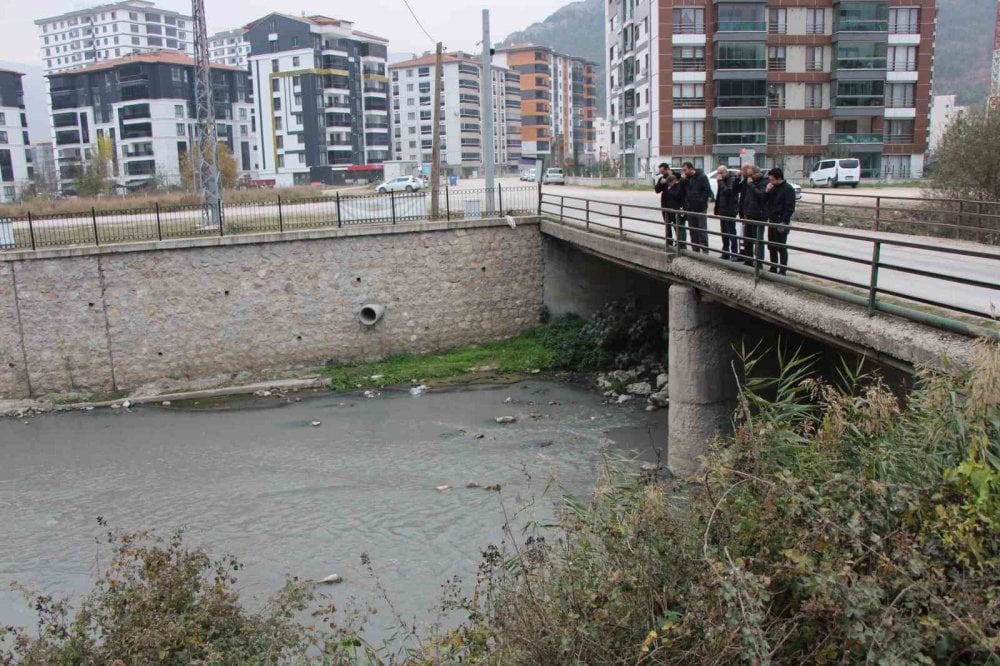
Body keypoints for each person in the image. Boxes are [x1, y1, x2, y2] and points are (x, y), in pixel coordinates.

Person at [763, 167, 796, 275]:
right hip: (772, 220)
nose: (770, 182)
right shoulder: (773, 188)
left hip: (781, 220)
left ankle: (782, 269)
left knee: (781, 246)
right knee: (771, 245)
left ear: (779, 178)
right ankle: (773, 266)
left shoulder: (788, 189)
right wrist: (767, 192)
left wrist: (784, 221)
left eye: (772, 179)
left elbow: (789, 207)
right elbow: (766, 202)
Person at [680, 162, 712, 254]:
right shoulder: (687, 179)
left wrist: (700, 201)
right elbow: (683, 192)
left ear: (691, 168)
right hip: (690, 208)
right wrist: (683, 181)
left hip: (700, 208)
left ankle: (705, 250)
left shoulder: (701, 177)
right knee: (693, 231)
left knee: (702, 229)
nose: (684, 172)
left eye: (685, 170)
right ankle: (695, 250)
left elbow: (707, 191)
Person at [741, 166, 769, 266]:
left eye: (751, 175)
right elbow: (746, 198)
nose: (749, 178)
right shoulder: (750, 183)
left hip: (759, 215)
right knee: (747, 239)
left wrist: (751, 184)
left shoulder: (764, 182)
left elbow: (761, 195)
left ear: (757, 173)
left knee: (758, 240)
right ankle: (748, 259)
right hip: (749, 214)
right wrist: (745, 212)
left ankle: (759, 262)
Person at [713, 165, 740, 260]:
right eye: (718, 173)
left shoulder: (732, 179)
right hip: (723, 210)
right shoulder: (722, 181)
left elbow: (728, 191)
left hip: (730, 210)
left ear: (726, 172)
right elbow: (719, 195)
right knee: (724, 233)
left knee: (731, 232)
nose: (719, 175)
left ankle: (734, 253)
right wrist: (717, 209)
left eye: (721, 173)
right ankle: (725, 251)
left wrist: (720, 181)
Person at [654, 163, 684, 247]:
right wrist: (661, 183)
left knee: (676, 224)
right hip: (665, 204)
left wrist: (671, 180)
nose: (662, 173)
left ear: (667, 169)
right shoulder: (662, 178)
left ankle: (679, 242)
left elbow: (681, 185)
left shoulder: (677, 176)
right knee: (667, 224)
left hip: (675, 204)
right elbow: (657, 190)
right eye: (661, 172)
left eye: (663, 171)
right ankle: (669, 241)